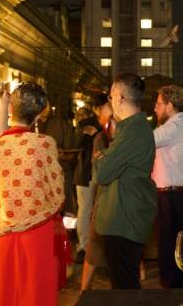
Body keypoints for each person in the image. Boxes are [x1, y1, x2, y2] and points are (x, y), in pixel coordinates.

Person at [0, 82, 65, 306]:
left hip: (0, 234)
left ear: (9, 110)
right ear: (38, 115)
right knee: (35, 294)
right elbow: (56, 190)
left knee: (3, 294)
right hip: (37, 232)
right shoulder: (45, 144)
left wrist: (3, 105)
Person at [93, 73, 157, 289]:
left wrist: (102, 158)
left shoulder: (133, 130)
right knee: (124, 283)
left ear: (119, 97)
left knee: (125, 289)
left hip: (125, 217)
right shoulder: (132, 128)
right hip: (125, 214)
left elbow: (103, 173)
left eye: (111, 96)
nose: (110, 102)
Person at [152, 85, 183, 288]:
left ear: (169, 106)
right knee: (182, 251)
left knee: (170, 252)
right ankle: (182, 291)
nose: (155, 108)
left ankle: (173, 295)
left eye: (158, 104)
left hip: (171, 197)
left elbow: (144, 141)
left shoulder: (173, 127)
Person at [80, 95, 114, 292]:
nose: (109, 121)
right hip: (103, 198)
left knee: (119, 248)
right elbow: (99, 171)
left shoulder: (123, 138)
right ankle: (84, 291)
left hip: (119, 198)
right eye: (106, 116)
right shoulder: (100, 137)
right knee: (94, 246)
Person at [73, 102, 102, 263]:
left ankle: (86, 246)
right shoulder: (93, 126)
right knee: (87, 210)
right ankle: (85, 246)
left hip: (90, 173)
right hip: (87, 173)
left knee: (86, 210)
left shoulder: (91, 126)